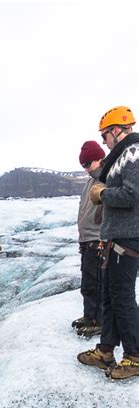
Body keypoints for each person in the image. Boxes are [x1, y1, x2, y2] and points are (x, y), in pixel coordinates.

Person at [78, 105, 139, 380]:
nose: (104, 141)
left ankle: (135, 356)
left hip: (129, 236)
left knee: (123, 297)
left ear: (117, 130)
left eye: (105, 135)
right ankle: (106, 350)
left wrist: (103, 194)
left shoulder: (132, 153)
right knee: (114, 295)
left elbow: (132, 195)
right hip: (119, 236)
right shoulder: (123, 155)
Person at [72, 141, 106, 337]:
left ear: (99, 158)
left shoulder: (107, 179)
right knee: (88, 282)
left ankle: (99, 320)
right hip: (87, 241)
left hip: (99, 240)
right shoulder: (89, 184)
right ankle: (89, 315)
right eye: (83, 165)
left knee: (98, 282)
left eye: (88, 164)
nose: (85, 169)